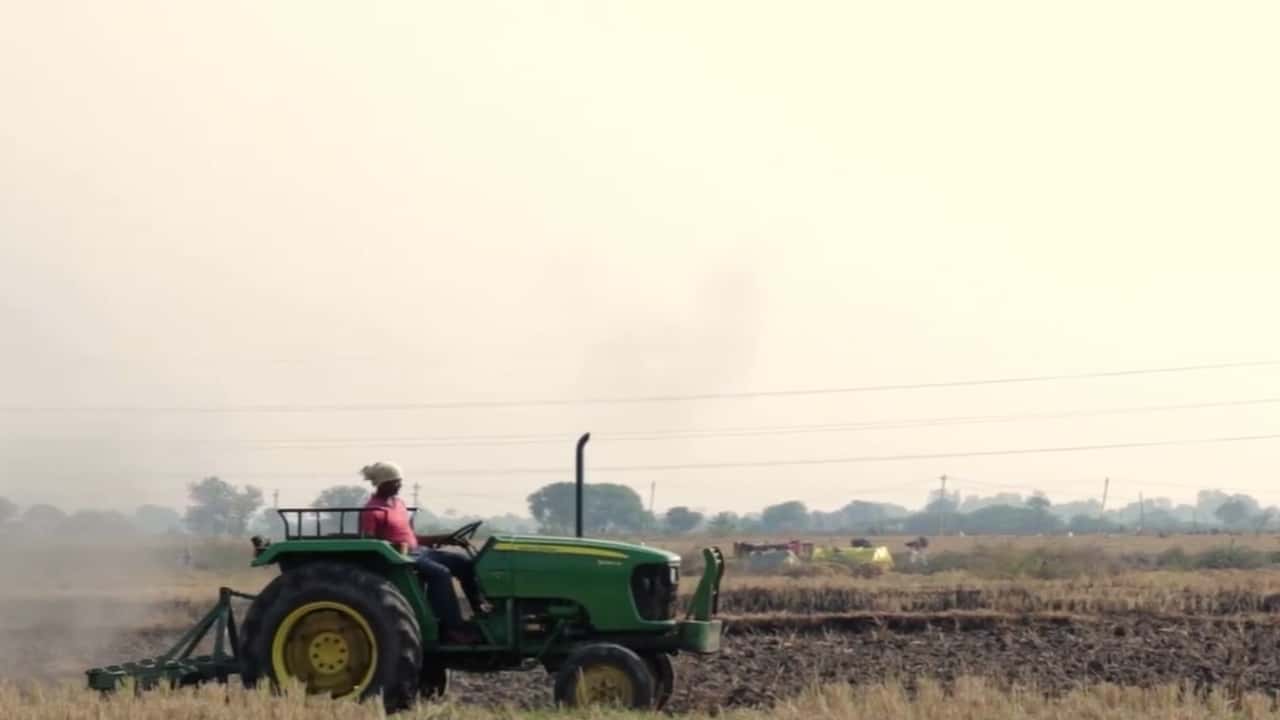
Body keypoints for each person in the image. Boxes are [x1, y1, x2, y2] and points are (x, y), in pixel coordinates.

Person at [358, 461, 485, 643]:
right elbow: (369, 543)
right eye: (395, 482)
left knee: (463, 562)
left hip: (419, 550)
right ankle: (452, 628)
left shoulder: (399, 504)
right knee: (440, 573)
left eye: (400, 481)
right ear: (382, 484)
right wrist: (399, 548)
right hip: (402, 557)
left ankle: (480, 609)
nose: (399, 485)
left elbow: (411, 536)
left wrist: (445, 538)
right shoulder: (372, 510)